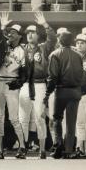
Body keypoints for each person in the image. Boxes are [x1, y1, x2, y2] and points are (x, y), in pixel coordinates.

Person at [19, 11, 57, 159]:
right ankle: (23, 148)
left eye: (33, 32)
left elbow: (53, 38)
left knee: (39, 117)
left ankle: (42, 149)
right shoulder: (22, 48)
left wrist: (45, 24)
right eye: (28, 33)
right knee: (23, 118)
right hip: (25, 85)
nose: (30, 35)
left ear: (38, 35)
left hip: (40, 84)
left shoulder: (44, 47)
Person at [0, 10, 28, 160]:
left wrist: (20, 82)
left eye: (14, 32)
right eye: (9, 32)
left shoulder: (22, 50)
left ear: (19, 36)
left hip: (11, 83)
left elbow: (25, 71)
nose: (10, 34)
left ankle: (22, 147)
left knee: (14, 118)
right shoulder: (2, 44)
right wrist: (2, 26)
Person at [45, 31, 83, 159]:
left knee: (57, 118)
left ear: (59, 41)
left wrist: (47, 93)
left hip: (61, 90)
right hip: (76, 91)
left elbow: (53, 76)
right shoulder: (78, 55)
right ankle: (68, 150)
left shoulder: (54, 54)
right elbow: (81, 75)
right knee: (71, 123)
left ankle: (58, 147)